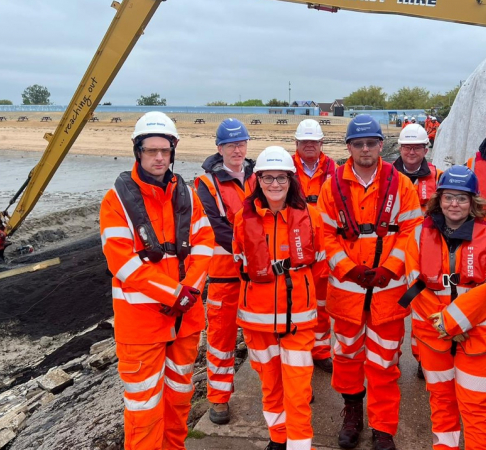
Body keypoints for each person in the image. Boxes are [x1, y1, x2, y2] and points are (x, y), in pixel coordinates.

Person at [99, 112, 214, 450]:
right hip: (142, 326)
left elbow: (205, 244)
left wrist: (189, 290)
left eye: (164, 150)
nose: (159, 157)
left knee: (179, 401)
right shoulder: (115, 200)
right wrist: (175, 293)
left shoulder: (187, 196)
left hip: (186, 319)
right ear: (138, 152)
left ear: (173, 151)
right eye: (151, 151)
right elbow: (122, 262)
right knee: (143, 409)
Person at [318, 114, 422, 450]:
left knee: (385, 363)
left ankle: (383, 428)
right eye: (358, 144)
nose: (365, 149)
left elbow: (412, 232)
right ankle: (352, 413)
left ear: (381, 145)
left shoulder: (401, 185)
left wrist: (391, 268)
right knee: (347, 358)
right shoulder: (332, 185)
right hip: (347, 296)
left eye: (371, 143)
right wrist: (348, 269)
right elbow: (325, 235)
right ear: (349, 147)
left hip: (387, 295)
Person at [399, 165, 486, 450]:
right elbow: (414, 284)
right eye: (448, 197)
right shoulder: (419, 236)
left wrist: (453, 322)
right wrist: (445, 325)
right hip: (434, 337)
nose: (454, 204)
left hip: (479, 337)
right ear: (439, 199)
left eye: (461, 198)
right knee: (441, 402)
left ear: (473, 202)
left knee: (476, 406)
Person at [232, 146, 326, 450]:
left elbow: (321, 263)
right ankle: (278, 437)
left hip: (299, 319)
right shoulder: (241, 219)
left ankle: (300, 445)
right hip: (257, 322)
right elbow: (238, 261)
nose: (275, 184)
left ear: (291, 180)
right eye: (268, 178)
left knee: (298, 391)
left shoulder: (311, 216)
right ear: (257, 180)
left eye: (281, 178)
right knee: (270, 386)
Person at [194, 118, 256, 425]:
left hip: (259, 275)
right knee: (220, 338)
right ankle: (218, 399)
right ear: (220, 148)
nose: (238, 150)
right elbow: (216, 229)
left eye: (242, 144)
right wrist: (254, 246)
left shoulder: (259, 176)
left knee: (266, 336)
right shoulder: (205, 184)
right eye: (232, 145)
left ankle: (279, 388)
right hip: (225, 276)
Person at [393, 122, 443, 377]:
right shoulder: (386, 177)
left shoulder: (439, 176)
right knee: (393, 309)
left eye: (417, 147)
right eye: (407, 147)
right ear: (400, 148)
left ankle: (424, 358)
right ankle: (391, 355)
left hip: (427, 256)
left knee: (425, 310)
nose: (411, 152)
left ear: (426, 149)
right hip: (394, 255)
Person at [293, 118, 337, 373]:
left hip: (325, 246)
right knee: (298, 301)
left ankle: (320, 350)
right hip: (295, 245)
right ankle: (301, 349)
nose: (309, 146)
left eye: (313, 141)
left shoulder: (334, 169)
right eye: (304, 141)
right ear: (297, 143)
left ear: (321, 143)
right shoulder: (286, 168)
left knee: (322, 303)